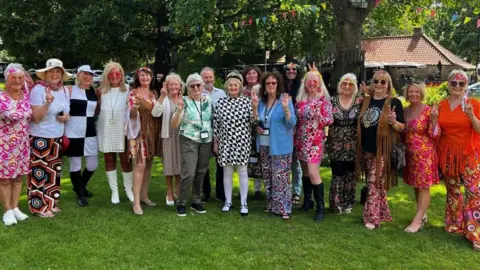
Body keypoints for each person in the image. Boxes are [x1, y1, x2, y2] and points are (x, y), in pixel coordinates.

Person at [437, 70, 480, 251]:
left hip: (469, 153)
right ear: (448, 84)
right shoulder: (441, 105)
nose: (457, 86)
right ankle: (454, 224)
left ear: (466, 86)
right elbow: (437, 130)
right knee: (453, 191)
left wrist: (470, 115)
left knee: (474, 193)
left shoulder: (474, 104)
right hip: (448, 154)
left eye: (461, 84)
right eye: (454, 82)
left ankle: (475, 232)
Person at [356, 70, 405, 230]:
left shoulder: (394, 102)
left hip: (383, 150)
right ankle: (383, 213)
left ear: (388, 85)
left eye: (383, 82)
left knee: (373, 181)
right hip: (366, 149)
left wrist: (393, 122)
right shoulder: (366, 101)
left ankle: (371, 217)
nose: (378, 84)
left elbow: (401, 127)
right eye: (376, 81)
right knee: (378, 184)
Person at [28, 58, 72, 218]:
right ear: (45, 74)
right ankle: (38, 207)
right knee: (39, 173)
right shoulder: (38, 90)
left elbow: (67, 112)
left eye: (57, 71)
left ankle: (51, 203)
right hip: (40, 137)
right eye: (51, 71)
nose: (54, 74)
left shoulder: (64, 90)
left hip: (57, 137)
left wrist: (66, 117)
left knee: (54, 172)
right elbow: (36, 118)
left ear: (61, 74)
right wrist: (47, 104)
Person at [213, 71, 258, 216]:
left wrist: (255, 108)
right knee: (227, 172)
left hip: (242, 141)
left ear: (239, 87)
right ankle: (228, 201)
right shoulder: (221, 102)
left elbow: (254, 122)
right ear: (227, 87)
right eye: (230, 85)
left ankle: (244, 203)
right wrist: (216, 142)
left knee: (242, 172)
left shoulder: (246, 101)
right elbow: (216, 124)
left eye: (235, 85)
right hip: (226, 141)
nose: (233, 87)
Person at [256, 72, 297, 220]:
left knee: (281, 177)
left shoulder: (284, 100)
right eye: (268, 83)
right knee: (267, 176)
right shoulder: (261, 102)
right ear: (264, 86)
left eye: (273, 83)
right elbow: (258, 120)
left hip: (281, 145)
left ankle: (284, 207)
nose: (271, 85)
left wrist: (286, 108)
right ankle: (271, 203)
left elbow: (292, 123)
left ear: (278, 84)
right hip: (264, 144)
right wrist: (257, 127)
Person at [172, 73, 213, 217]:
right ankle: (181, 202)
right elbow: (174, 124)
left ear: (202, 86)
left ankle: (196, 200)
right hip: (189, 139)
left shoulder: (208, 101)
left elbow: (212, 121)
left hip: (206, 140)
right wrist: (178, 111)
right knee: (189, 172)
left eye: (198, 85)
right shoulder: (183, 101)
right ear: (188, 88)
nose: (196, 87)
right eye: (192, 85)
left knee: (201, 171)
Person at [295, 70, 333, 221]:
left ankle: (320, 208)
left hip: (315, 141)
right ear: (304, 83)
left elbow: (329, 120)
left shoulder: (323, 100)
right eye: (309, 81)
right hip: (301, 139)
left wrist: (320, 118)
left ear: (319, 83)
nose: (311, 83)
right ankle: (308, 201)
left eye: (314, 81)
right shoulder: (300, 99)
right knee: (305, 172)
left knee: (313, 173)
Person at [402, 82, 440, 233]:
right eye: (411, 92)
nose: (413, 94)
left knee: (423, 186)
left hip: (425, 154)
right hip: (410, 154)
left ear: (421, 93)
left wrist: (434, 120)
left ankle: (417, 220)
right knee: (416, 186)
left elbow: (435, 135)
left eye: (416, 92)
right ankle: (421, 214)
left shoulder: (429, 111)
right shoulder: (405, 111)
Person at [96, 62, 133, 204]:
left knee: (126, 160)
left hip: (123, 130)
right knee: (109, 159)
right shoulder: (100, 92)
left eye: (118, 73)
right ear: (106, 75)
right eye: (111, 73)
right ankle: (114, 190)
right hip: (106, 129)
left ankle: (128, 189)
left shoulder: (129, 90)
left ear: (122, 75)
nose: (114, 76)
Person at [327, 73, 363, 214]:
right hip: (336, 142)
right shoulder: (332, 100)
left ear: (355, 86)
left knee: (350, 173)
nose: (347, 86)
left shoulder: (360, 101)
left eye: (351, 84)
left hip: (353, 143)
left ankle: (348, 202)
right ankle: (335, 203)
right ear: (340, 84)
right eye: (344, 83)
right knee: (337, 172)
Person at [0, 64, 31, 226]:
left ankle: (15, 207)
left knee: (18, 177)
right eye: (14, 77)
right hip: (4, 146)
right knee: (5, 179)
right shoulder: (1, 97)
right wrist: (24, 113)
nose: (18, 80)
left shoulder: (25, 96)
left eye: (20, 77)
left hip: (22, 144)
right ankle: (7, 210)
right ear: (7, 79)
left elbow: (27, 115)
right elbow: (12, 115)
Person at [65, 65, 98, 207]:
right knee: (76, 163)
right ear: (78, 74)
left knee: (92, 164)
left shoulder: (93, 91)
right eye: (84, 73)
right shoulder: (69, 90)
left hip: (90, 131)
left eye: (90, 74)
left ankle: (79, 186)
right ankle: (80, 193)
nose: (87, 77)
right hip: (73, 131)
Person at [128, 67, 160, 215]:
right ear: (138, 77)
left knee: (148, 165)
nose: (145, 77)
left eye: (148, 75)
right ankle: (135, 202)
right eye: (142, 75)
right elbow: (131, 114)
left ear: (152, 77)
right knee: (139, 165)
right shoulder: (133, 93)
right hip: (139, 133)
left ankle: (144, 195)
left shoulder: (154, 94)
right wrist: (136, 106)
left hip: (152, 132)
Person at [151, 73, 183, 206]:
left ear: (180, 86)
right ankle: (169, 191)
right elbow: (155, 113)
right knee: (169, 165)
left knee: (180, 165)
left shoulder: (185, 100)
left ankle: (178, 189)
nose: (174, 86)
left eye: (176, 84)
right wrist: (161, 97)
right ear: (167, 86)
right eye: (171, 84)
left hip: (182, 137)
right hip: (168, 136)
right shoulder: (163, 100)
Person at [200, 67, 226, 202]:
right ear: (201, 79)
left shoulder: (221, 93)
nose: (209, 80)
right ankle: (206, 192)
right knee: (203, 163)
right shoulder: (198, 92)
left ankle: (221, 193)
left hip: (220, 133)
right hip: (203, 132)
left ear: (214, 77)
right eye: (206, 77)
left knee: (220, 163)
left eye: (210, 77)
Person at [282, 60, 304, 206]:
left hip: (299, 127)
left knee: (296, 162)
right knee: (283, 161)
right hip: (283, 127)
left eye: (294, 70)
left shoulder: (302, 87)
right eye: (288, 69)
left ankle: (296, 190)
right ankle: (284, 189)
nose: (291, 72)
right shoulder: (280, 86)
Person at [241, 65, 263, 199]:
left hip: (260, 127)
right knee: (247, 158)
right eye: (248, 74)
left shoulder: (263, 89)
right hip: (245, 129)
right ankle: (246, 188)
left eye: (254, 73)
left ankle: (258, 188)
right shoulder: (241, 90)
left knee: (260, 156)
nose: (251, 75)